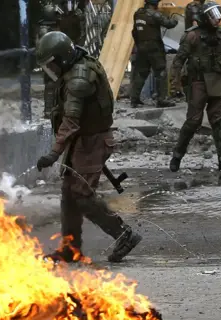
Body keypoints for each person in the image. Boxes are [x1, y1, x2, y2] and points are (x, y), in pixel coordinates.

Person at [35, 31, 143, 263]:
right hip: (82, 141)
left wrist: (53, 153)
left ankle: (124, 234)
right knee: (69, 194)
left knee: (82, 195)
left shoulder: (79, 78)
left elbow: (71, 120)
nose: (51, 71)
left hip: (93, 142)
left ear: (62, 58)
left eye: (52, 65)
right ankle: (70, 248)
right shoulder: (75, 67)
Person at [169, 1, 221, 172]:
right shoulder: (192, 36)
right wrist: (175, 84)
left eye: (218, 15)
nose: (218, 19)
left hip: (218, 80)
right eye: (213, 16)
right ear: (204, 18)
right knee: (193, 121)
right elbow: (178, 60)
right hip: (198, 82)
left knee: (218, 121)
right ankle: (177, 156)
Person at [37, 2, 87, 119]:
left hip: (51, 58)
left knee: (56, 83)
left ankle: (54, 109)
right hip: (49, 59)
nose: (59, 17)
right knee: (51, 83)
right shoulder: (46, 30)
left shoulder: (50, 28)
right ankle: (49, 110)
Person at [131, 0, 179, 108]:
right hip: (154, 49)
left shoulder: (138, 14)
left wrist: (139, 44)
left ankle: (134, 100)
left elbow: (134, 32)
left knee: (141, 74)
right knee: (161, 73)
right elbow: (169, 24)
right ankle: (162, 100)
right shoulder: (154, 14)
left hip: (141, 48)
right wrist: (175, 19)